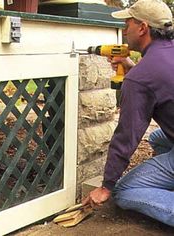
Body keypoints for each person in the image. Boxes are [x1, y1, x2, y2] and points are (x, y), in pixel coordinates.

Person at [82, 0, 174, 227]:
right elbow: (160, 83)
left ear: (142, 28)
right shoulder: (161, 58)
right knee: (157, 138)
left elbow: (126, 136)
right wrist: (132, 68)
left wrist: (106, 186)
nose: (124, 30)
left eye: (127, 24)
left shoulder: (141, 78)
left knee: (125, 191)